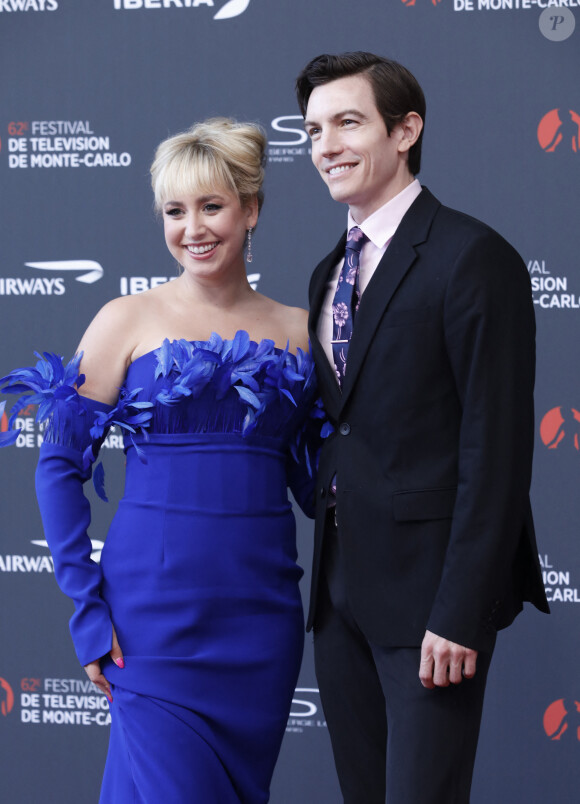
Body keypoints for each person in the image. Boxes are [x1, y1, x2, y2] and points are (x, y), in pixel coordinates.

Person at [0, 118, 323, 802]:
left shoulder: (300, 329)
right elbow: (57, 466)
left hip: (259, 623)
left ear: (252, 209)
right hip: (151, 627)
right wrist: (87, 611)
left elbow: (321, 482)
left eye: (212, 206)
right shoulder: (125, 318)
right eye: (175, 211)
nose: (192, 228)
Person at [295, 52, 549, 804]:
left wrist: (460, 612)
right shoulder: (327, 273)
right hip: (340, 600)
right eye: (313, 130)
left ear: (407, 130)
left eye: (347, 122)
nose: (326, 146)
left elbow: (495, 452)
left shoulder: (474, 257)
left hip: (432, 604)